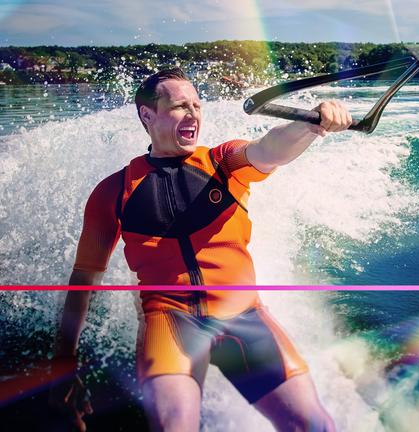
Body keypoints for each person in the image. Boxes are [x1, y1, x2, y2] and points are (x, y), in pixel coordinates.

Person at [50, 67, 351, 431]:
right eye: (180, 106)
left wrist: (311, 125)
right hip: (170, 322)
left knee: (316, 426)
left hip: (244, 318)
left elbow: (271, 149)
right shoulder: (114, 192)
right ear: (148, 115)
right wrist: (64, 361)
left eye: (197, 104)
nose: (193, 114)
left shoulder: (223, 163)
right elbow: (84, 277)